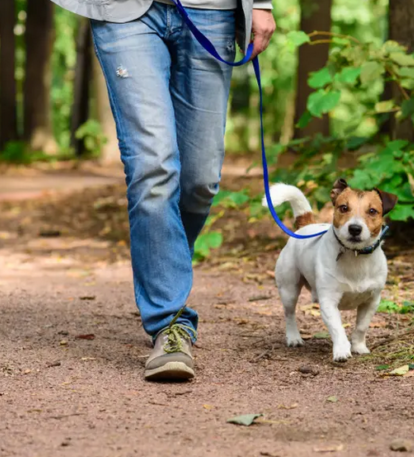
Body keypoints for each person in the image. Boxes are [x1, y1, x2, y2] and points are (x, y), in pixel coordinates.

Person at [49, 0, 276, 381]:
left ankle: (163, 269)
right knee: (153, 166)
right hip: (124, 11)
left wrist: (264, 3)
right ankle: (170, 323)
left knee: (200, 181)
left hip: (211, 10)